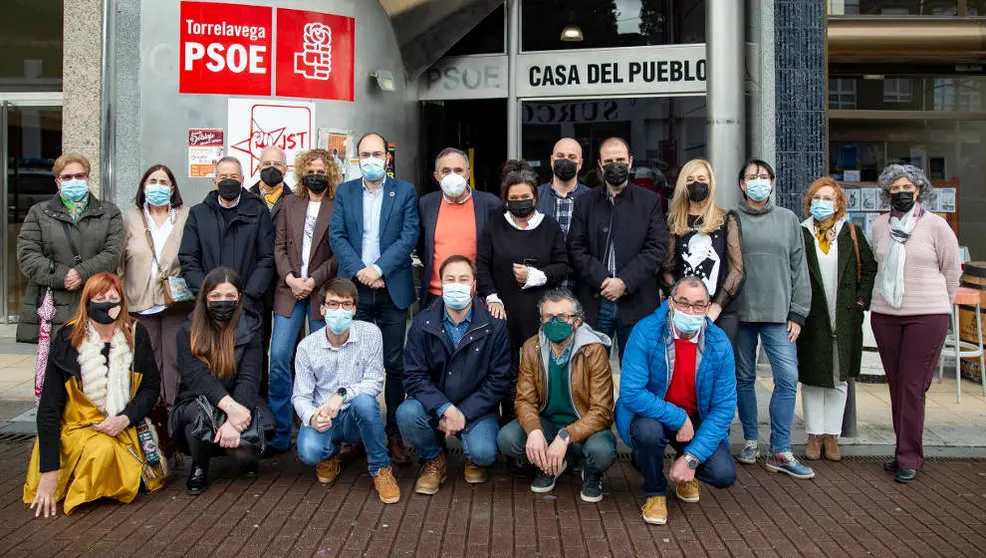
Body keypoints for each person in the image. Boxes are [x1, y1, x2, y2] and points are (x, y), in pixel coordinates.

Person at [24, 273, 165, 517]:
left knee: (108, 454)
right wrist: (49, 471)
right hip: (75, 429)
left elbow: (151, 388)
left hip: (120, 426)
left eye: (114, 297)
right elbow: (49, 407)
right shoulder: (67, 338)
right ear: (87, 302)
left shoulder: (135, 334)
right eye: (100, 298)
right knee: (98, 453)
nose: (108, 303)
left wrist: (124, 419)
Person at [616, 277, 737, 525]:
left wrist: (692, 457)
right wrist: (678, 417)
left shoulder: (719, 342)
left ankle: (686, 469)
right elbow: (632, 392)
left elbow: (724, 409)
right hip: (652, 413)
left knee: (723, 474)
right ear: (670, 303)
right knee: (648, 433)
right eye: (683, 303)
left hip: (695, 417)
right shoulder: (646, 331)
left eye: (699, 305)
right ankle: (655, 491)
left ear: (708, 307)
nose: (691, 311)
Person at [329, 132, 420, 463]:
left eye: (377, 153)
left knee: (394, 365)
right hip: (355, 290)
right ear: (357, 158)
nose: (371, 159)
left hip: (392, 288)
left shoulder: (405, 191)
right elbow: (337, 236)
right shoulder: (345, 192)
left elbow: (409, 236)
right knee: (353, 364)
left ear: (387, 158)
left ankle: (393, 434)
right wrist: (361, 272)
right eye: (364, 154)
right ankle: (356, 434)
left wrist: (379, 269)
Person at [870, 164, 960, 484]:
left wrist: (940, 305)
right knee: (897, 386)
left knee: (911, 385)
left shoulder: (936, 225)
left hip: (927, 316)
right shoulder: (879, 225)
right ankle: (902, 450)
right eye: (894, 189)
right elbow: (879, 268)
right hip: (886, 316)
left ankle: (910, 456)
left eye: (906, 187)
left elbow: (952, 270)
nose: (901, 193)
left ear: (919, 190)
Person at [398, 255, 511, 494]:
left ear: (473, 285)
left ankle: (472, 456)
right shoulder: (422, 322)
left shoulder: (494, 324)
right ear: (441, 284)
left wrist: (464, 412)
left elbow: (499, 379)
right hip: (434, 404)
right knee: (407, 414)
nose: (456, 285)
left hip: (477, 407)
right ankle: (434, 458)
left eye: (463, 279)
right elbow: (414, 376)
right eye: (450, 279)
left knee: (484, 453)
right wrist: (445, 409)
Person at [732, 158, 814, 479]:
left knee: (787, 378)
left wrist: (798, 312)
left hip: (780, 315)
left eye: (764, 176)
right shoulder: (731, 219)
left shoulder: (788, 219)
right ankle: (751, 440)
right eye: (752, 177)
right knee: (744, 379)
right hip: (741, 312)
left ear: (773, 182)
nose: (758, 181)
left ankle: (780, 449)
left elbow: (799, 268)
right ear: (742, 184)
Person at [497, 288, 617, 503]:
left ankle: (591, 473)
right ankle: (549, 465)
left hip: (586, 427)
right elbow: (524, 399)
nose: (554, 322)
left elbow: (602, 412)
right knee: (508, 438)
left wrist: (565, 436)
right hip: (549, 423)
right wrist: (534, 430)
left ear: (577, 321)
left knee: (602, 451)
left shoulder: (594, 350)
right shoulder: (531, 347)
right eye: (548, 316)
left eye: (562, 317)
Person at [292, 278, 400, 503]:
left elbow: (374, 382)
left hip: (356, 415)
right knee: (310, 451)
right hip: (325, 418)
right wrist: (312, 417)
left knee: (366, 402)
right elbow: (300, 395)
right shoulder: (307, 347)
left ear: (354, 309)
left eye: (346, 304)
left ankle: (381, 469)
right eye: (332, 304)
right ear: (322, 309)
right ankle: (330, 456)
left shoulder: (371, 334)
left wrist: (341, 395)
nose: (339, 310)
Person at [477, 160, 569, 422]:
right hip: (503, 314)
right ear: (505, 199)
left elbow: (562, 266)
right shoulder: (495, 224)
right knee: (506, 374)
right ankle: (509, 430)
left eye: (525, 197)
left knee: (537, 374)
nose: (520, 202)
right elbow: (482, 264)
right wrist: (491, 296)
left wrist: (538, 276)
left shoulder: (549, 227)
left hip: (538, 316)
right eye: (514, 198)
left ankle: (538, 428)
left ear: (535, 196)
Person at [170, 267, 274, 495]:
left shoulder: (252, 327)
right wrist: (232, 410)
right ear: (205, 298)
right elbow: (198, 379)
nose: (222, 301)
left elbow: (250, 377)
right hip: (198, 399)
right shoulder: (187, 331)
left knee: (245, 455)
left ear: (239, 298)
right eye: (215, 296)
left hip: (241, 397)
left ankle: (235, 452)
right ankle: (199, 466)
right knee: (197, 421)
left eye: (229, 296)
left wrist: (234, 419)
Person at [797, 177, 878, 462]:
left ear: (839, 203)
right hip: (813, 316)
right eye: (817, 198)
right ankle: (813, 434)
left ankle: (832, 435)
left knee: (840, 376)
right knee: (812, 377)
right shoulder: (801, 232)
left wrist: (859, 301)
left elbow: (868, 268)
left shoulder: (851, 233)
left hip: (844, 315)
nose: (822, 203)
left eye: (828, 198)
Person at [568, 137, 668, 363]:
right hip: (596, 300)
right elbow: (575, 248)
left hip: (636, 301)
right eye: (609, 160)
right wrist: (604, 279)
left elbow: (656, 247)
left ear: (630, 162)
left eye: (620, 160)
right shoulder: (585, 202)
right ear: (600, 166)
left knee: (637, 373)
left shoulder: (649, 201)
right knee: (590, 373)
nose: (615, 165)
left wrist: (623, 281)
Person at [267, 149, 340, 454]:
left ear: (330, 174)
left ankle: (323, 428)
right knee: (279, 358)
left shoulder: (338, 206)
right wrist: (291, 279)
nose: (315, 174)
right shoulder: (289, 204)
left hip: (321, 293)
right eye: (310, 169)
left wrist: (313, 281)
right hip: (290, 291)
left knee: (323, 363)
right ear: (301, 172)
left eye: (321, 170)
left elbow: (339, 252)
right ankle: (282, 432)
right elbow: (279, 246)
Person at [17, 153, 124, 343]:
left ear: (88, 178)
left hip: (97, 301)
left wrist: (81, 274)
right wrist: (63, 276)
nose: (73, 180)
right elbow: (28, 255)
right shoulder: (39, 213)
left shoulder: (109, 212)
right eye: (67, 177)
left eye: (79, 176)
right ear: (58, 182)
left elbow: (113, 252)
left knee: (96, 364)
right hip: (54, 305)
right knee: (59, 366)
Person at [119, 164, 190, 409]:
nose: (157, 187)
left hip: (175, 304)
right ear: (143, 187)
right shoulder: (130, 219)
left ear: (172, 188)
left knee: (174, 362)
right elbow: (119, 263)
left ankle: (172, 416)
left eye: (163, 182)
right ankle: (149, 416)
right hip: (139, 303)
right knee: (147, 362)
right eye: (152, 181)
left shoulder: (184, 216)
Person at [662, 158, 745, 348]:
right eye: (690, 180)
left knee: (719, 369)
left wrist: (715, 306)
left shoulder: (726, 219)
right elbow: (667, 268)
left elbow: (737, 270)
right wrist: (683, 303)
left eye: (701, 178)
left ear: (711, 182)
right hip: (683, 315)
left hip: (720, 313)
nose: (696, 184)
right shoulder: (673, 222)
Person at [178, 156, 275, 313]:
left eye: (234, 177)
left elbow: (267, 258)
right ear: (214, 181)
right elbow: (188, 258)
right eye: (223, 177)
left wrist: (248, 297)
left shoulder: (258, 212)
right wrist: (208, 294)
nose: (228, 181)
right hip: (209, 305)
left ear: (242, 180)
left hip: (248, 306)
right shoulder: (198, 214)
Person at [418, 147, 500, 308]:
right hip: (435, 296)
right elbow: (422, 246)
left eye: (458, 170)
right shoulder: (426, 204)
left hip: (477, 297)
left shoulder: (490, 204)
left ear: (468, 174)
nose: (453, 176)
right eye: (446, 171)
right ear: (437, 176)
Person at [247, 146, 293, 390]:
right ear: (257, 167)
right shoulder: (246, 199)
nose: (271, 169)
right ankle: (260, 398)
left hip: (288, 283)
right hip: (256, 284)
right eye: (265, 164)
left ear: (286, 169)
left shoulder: (296, 199)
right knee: (257, 344)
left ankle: (290, 401)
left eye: (276, 164)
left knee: (288, 348)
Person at [536, 138, 590, 239]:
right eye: (560, 156)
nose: (565, 160)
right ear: (552, 160)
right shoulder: (535, 196)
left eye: (572, 157)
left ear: (580, 164)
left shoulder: (592, 199)